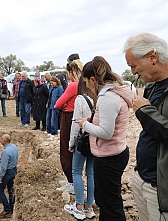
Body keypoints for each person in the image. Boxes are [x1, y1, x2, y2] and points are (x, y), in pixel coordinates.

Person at [77, 56, 133, 220]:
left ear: (93, 79)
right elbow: (110, 123)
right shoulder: (113, 93)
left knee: (110, 206)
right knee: (107, 200)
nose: (87, 87)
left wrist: (84, 125)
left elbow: (106, 133)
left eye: (86, 82)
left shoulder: (108, 97)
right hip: (112, 154)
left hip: (109, 158)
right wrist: (92, 120)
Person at [123, 33, 168, 220]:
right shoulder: (151, 86)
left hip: (161, 187)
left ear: (152, 57)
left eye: (133, 65)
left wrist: (145, 111)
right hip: (143, 178)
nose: (132, 72)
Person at [63, 77, 97, 220]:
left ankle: (79, 207)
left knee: (76, 171)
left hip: (83, 140)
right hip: (95, 138)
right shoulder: (98, 98)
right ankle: (89, 207)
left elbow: (76, 123)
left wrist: (71, 143)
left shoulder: (80, 99)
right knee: (91, 173)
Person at [55, 60, 83, 193]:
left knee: (66, 149)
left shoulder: (73, 85)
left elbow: (58, 103)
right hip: (78, 117)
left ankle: (71, 182)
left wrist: (65, 104)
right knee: (74, 149)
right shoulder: (83, 85)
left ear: (72, 72)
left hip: (68, 117)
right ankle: (70, 179)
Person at [0, 134, 18, 219]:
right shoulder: (14, 147)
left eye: (1, 138)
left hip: (7, 173)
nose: (0, 139)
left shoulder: (5, 152)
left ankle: (7, 209)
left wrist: (0, 178)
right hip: (13, 171)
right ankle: (11, 208)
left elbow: (4, 168)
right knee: (11, 190)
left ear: (4, 141)